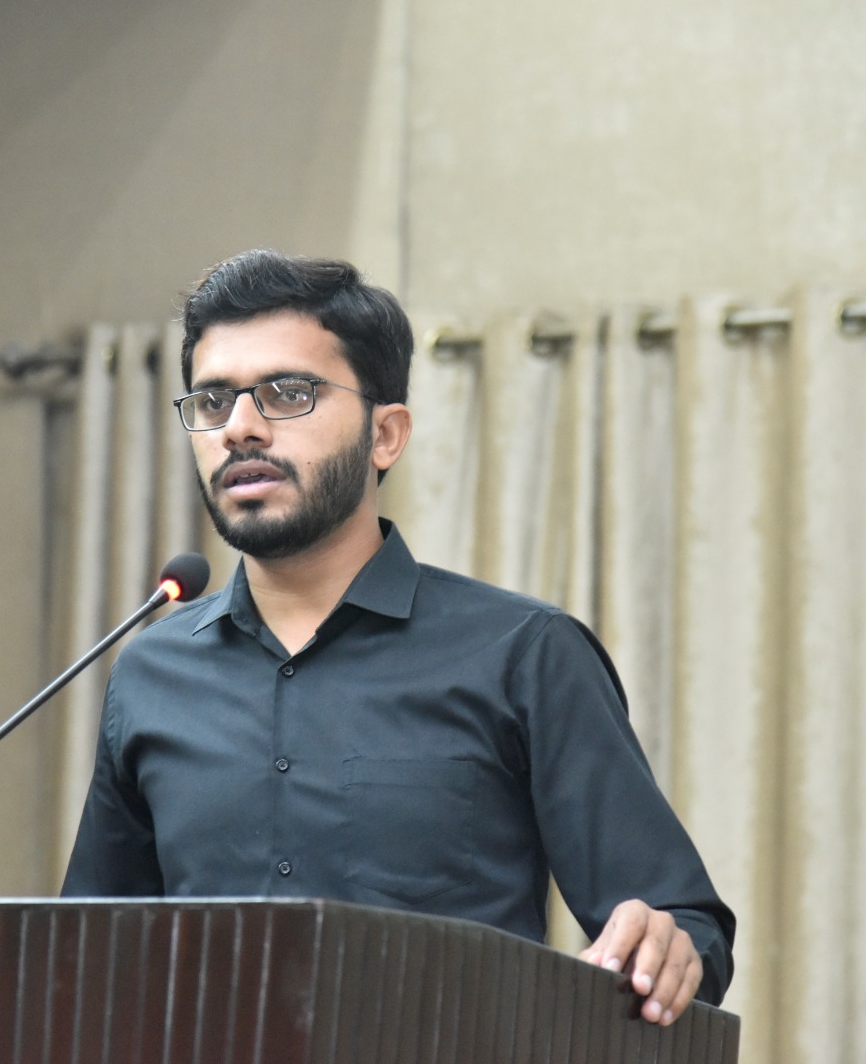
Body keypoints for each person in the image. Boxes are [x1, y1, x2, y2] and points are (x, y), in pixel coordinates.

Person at [62, 249, 734, 1023]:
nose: (239, 428)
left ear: (385, 435)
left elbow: (684, 930)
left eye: (287, 393)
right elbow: (82, 959)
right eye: (212, 402)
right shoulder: (152, 671)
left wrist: (667, 943)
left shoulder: (523, 653)